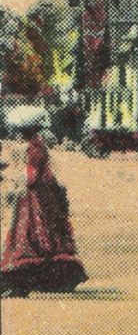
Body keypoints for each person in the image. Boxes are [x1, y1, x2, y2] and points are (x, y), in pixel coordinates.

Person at [1, 124, 88, 296]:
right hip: (37, 197)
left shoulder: (35, 148)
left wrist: (18, 183)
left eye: (23, 131)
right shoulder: (35, 146)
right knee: (38, 235)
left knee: (32, 236)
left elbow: (33, 177)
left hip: (36, 199)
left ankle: (21, 280)